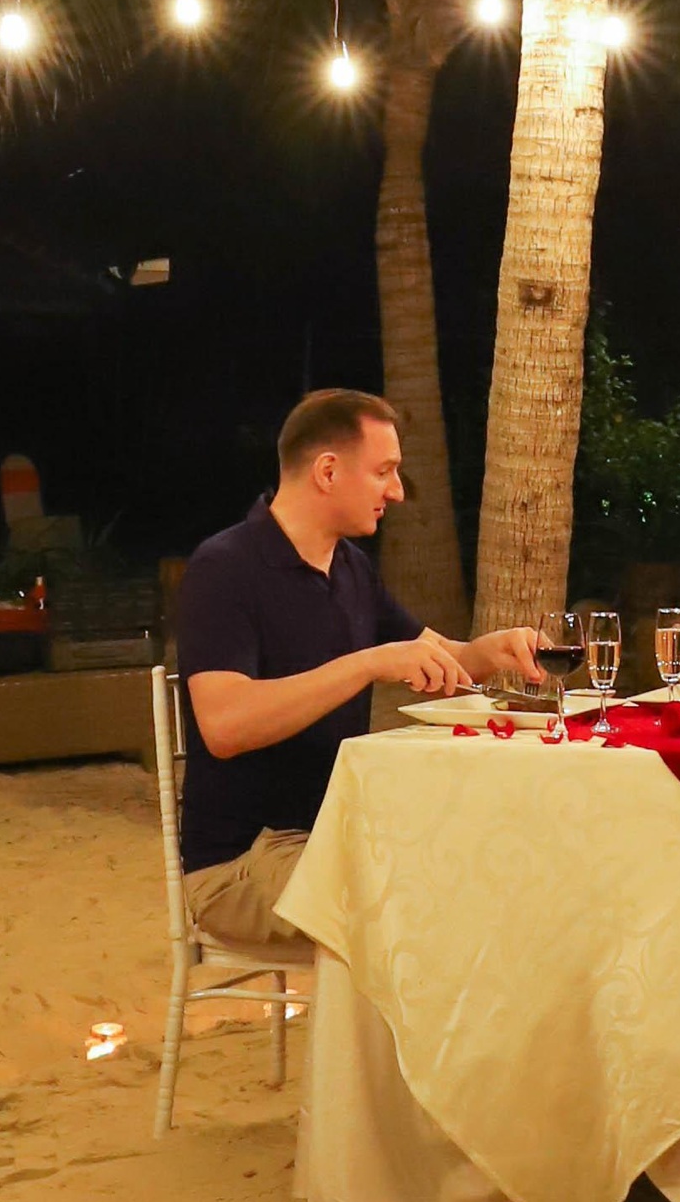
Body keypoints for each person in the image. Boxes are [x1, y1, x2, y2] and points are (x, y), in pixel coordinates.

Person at [174, 391, 542, 948]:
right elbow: (225, 726)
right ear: (327, 471)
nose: (396, 491)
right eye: (383, 471)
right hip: (240, 865)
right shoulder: (225, 568)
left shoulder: (350, 568)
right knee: (415, 912)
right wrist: (368, 662)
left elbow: (432, 655)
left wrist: (488, 653)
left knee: (481, 876)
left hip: (334, 839)